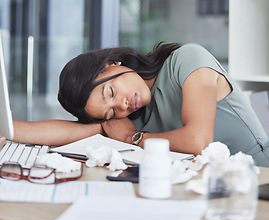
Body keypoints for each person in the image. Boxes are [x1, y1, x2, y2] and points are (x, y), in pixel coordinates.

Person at [1, 42, 269, 167]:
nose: (123, 105)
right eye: (111, 112)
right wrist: (7, 129)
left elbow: (199, 140)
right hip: (211, 190)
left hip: (260, 179)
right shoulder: (137, 114)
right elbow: (69, 132)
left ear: (111, 64)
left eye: (111, 91)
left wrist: (132, 137)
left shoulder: (188, 59)